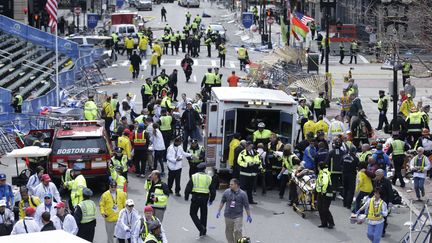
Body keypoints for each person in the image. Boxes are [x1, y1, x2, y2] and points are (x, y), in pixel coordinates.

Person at [184, 162, 217, 237]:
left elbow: (188, 187)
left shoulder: (194, 176)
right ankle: (204, 230)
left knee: (192, 213)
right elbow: (213, 190)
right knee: (204, 214)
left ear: (198, 169)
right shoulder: (209, 177)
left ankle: (200, 228)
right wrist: (211, 199)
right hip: (205, 198)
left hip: (196, 197)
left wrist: (186, 197)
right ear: (204, 169)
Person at [216, 178, 251, 243]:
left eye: (231, 184)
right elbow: (222, 201)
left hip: (238, 216)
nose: (230, 185)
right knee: (228, 231)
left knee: (238, 231)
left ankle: (238, 242)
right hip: (228, 215)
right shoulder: (226, 192)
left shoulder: (243, 194)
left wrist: (249, 215)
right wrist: (219, 211)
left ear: (236, 185)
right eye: (230, 184)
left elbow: (246, 206)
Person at [372, 169, 393, 236]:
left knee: (383, 216)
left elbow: (390, 191)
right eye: (376, 175)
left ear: (382, 175)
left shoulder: (386, 181)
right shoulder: (375, 180)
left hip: (384, 200)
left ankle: (382, 231)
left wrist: (390, 201)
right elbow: (374, 189)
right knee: (376, 215)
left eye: (378, 175)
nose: (376, 176)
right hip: (376, 200)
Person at [316, 162, 335, 229]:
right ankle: (324, 223)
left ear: (319, 167)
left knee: (325, 209)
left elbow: (325, 183)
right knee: (320, 208)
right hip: (321, 193)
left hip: (326, 194)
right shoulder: (321, 173)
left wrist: (323, 191)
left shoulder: (325, 173)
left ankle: (331, 223)